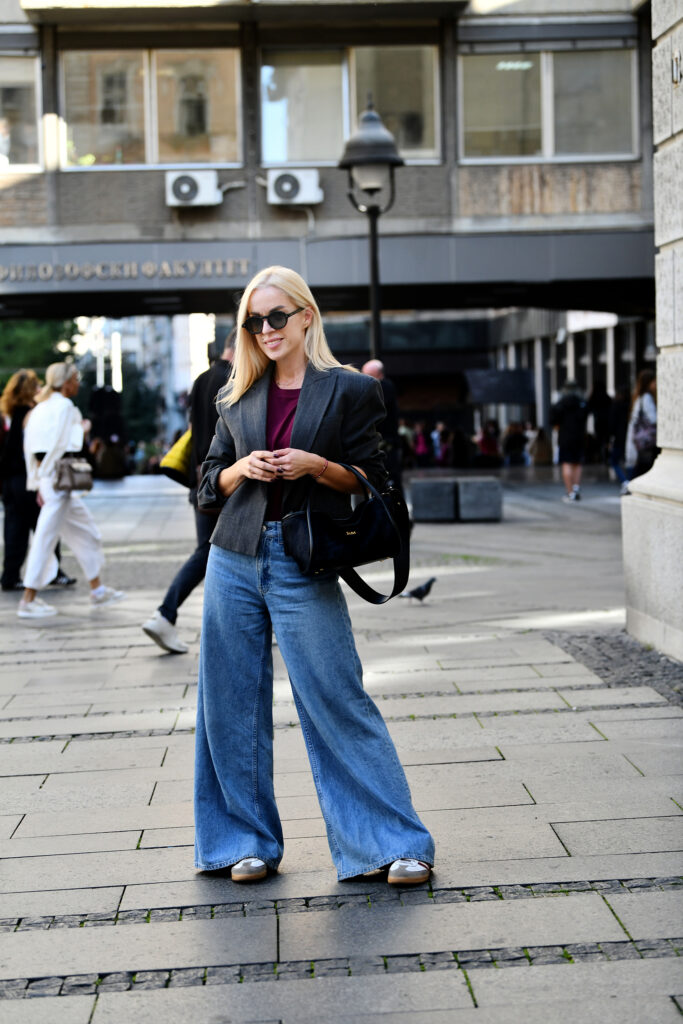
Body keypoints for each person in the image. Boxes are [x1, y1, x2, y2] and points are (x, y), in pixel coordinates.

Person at [194, 265, 434, 886]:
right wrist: (242, 467)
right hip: (234, 556)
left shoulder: (349, 390)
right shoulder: (237, 393)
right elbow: (206, 485)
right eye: (255, 320)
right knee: (229, 703)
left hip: (304, 557)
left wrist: (317, 465)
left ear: (305, 316)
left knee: (335, 695)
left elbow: (376, 481)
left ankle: (390, 845)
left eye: (277, 316)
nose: (266, 330)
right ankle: (239, 843)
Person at [142, 331, 235, 653]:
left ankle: (168, 615)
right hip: (229, 482)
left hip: (202, 481)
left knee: (210, 552)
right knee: (218, 553)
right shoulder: (237, 377)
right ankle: (166, 613)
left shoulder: (201, 379)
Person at [18, 362, 124, 619]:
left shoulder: (39, 408)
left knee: (84, 530)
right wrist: (83, 428)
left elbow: (31, 450)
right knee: (46, 536)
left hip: (50, 481)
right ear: (65, 383)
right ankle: (28, 598)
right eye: (75, 379)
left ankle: (97, 589)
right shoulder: (64, 407)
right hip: (58, 481)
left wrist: (37, 481)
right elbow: (65, 443)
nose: (78, 384)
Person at [0, 369, 76, 592]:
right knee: (45, 526)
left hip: (10, 480)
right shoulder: (31, 414)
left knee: (15, 528)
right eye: (36, 386)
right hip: (26, 478)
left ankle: (11, 575)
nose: (40, 390)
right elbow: (29, 450)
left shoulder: (8, 413)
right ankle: (51, 574)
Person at [361, 358, 403, 494]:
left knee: (388, 484)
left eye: (367, 375)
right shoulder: (381, 387)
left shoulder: (384, 387)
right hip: (381, 445)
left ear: (378, 375)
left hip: (386, 446)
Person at [550, 381, 588, 502]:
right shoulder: (581, 403)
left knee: (567, 464)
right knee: (577, 463)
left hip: (565, 437)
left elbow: (553, 420)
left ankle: (570, 491)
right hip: (579, 437)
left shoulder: (561, 404)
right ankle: (576, 488)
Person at [626, 369, 658, 482]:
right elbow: (654, 419)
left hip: (639, 439)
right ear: (649, 383)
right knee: (643, 468)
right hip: (645, 440)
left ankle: (629, 484)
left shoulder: (639, 397)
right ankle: (628, 485)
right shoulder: (647, 398)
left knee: (640, 467)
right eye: (654, 382)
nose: (656, 385)